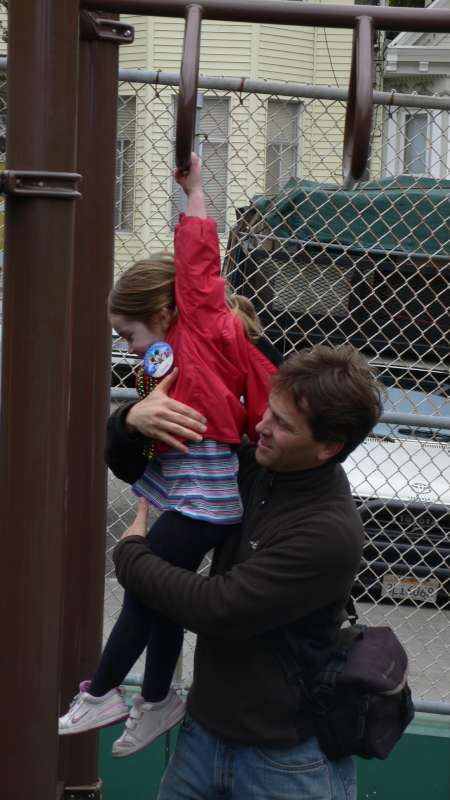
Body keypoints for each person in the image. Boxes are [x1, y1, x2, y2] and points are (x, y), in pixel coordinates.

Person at [58, 153, 278, 755]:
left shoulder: (200, 327)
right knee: (162, 598)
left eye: (129, 335)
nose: (128, 347)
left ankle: (105, 691)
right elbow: (137, 444)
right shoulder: (161, 363)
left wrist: (195, 191)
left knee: (146, 588)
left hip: (205, 495)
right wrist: (134, 421)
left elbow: (200, 265)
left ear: (162, 314)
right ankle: (156, 699)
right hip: (189, 488)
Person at [108, 343, 383, 800]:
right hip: (202, 737)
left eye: (283, 424)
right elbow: (134, 464)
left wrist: (131, 556)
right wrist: (131, 421)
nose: (261, 426)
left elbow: (219, 608)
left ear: (328, 447)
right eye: (268, 409)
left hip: (286, 763)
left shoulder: (326, 531)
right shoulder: (254, 464)